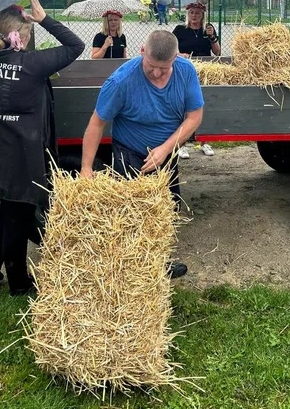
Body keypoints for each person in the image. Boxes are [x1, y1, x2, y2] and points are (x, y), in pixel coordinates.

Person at [0, 0, 85, 296]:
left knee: (5, 210)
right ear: (19, 37)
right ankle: (19, 283)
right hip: (19, 153)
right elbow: (75, 46)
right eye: (28, 34)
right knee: (18, 215)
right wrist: (44, 19)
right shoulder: (30, 64)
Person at [80, 30, 204, 278]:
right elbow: (96, 123)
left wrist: (165, 149)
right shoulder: (121, 81)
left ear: (176, 59)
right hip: (130, 150)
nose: (157, 73)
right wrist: (86, 169)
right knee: (131, 211)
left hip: (166, 152)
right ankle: (127, 267)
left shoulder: (186, 71)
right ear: (141, 52)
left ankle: (158, 263)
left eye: (164, 68)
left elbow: (194, 117)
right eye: (151, 67)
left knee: (169, 207)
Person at [173, 2, 219, 158]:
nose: (194, 16)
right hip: (185, 70)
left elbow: (217, 52)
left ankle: (204, 141)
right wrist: (181, 55)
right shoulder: (180, 30)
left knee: (203, 104)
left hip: (205, 71)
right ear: (188, 14)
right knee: (184, 105)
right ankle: (182, 143)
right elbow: (171, 50)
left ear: (202, 15)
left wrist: (212, 36)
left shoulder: (207, 30)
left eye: (198, 13)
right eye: (192, 13)